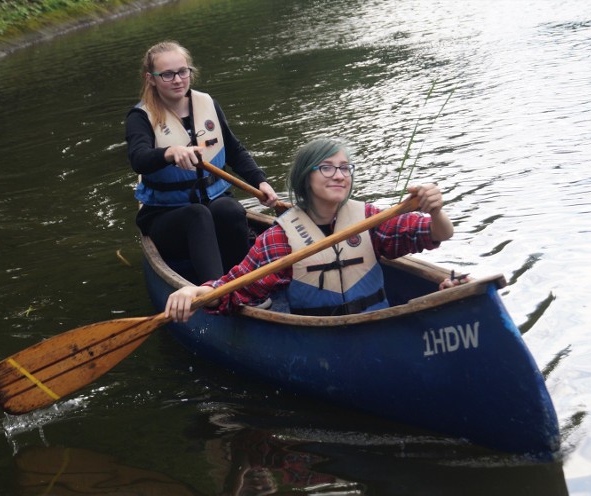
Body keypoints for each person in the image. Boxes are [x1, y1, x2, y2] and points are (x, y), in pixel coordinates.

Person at [165, 137, 467, 321]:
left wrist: (436, 210)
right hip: (324, 334)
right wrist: (196, 291)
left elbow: (438, 234)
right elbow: (235, 288)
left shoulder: (370, 218)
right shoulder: (281, 238)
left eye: (345, 168)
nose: (339, 175)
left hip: (376, 319)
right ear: (305, 178)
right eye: (327, 167)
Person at [126, 41, 278, 282]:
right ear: (151, 78)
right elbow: (139, 159)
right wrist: (169, 152)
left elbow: (234, 150)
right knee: (197, 214)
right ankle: (215, 291)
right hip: (166, 217)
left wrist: (261, 182)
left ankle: (243, 283)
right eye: (167, 74)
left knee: (229, 209)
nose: (177, 79)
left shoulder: (207, 103)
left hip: (214, 204)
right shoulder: (141, 117)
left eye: (183, 71)